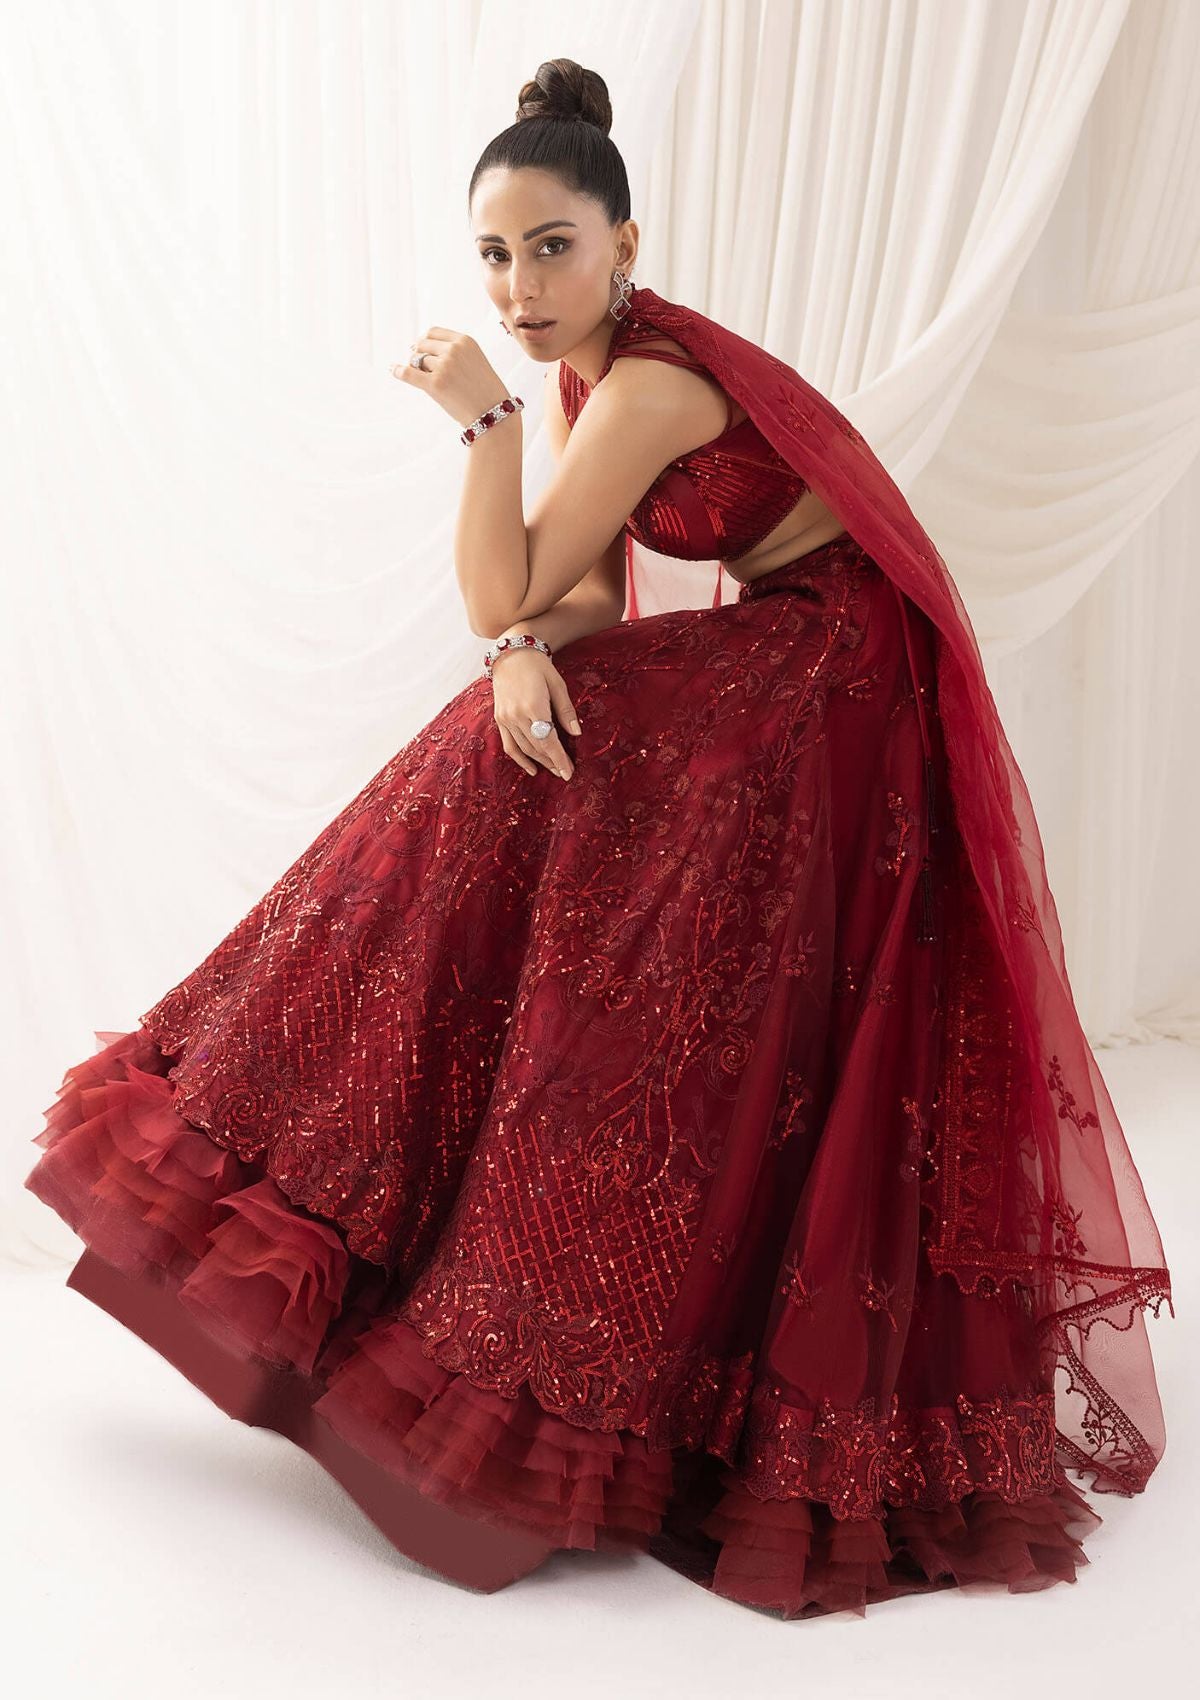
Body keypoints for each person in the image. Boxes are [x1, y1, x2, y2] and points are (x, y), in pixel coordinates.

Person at [24, 57, 1173, 1622]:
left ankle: (514, 1235)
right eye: (495, 256)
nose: (519, 288)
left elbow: (507, 588)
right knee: (503, 747)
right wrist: (517, 651)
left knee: (532, 801)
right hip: (786, 651)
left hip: (836, 675)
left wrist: (483, 427)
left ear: (627, 246)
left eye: (552, 249)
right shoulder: (605, 374)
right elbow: (551, 604)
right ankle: (384, 1163)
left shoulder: (642, 387)